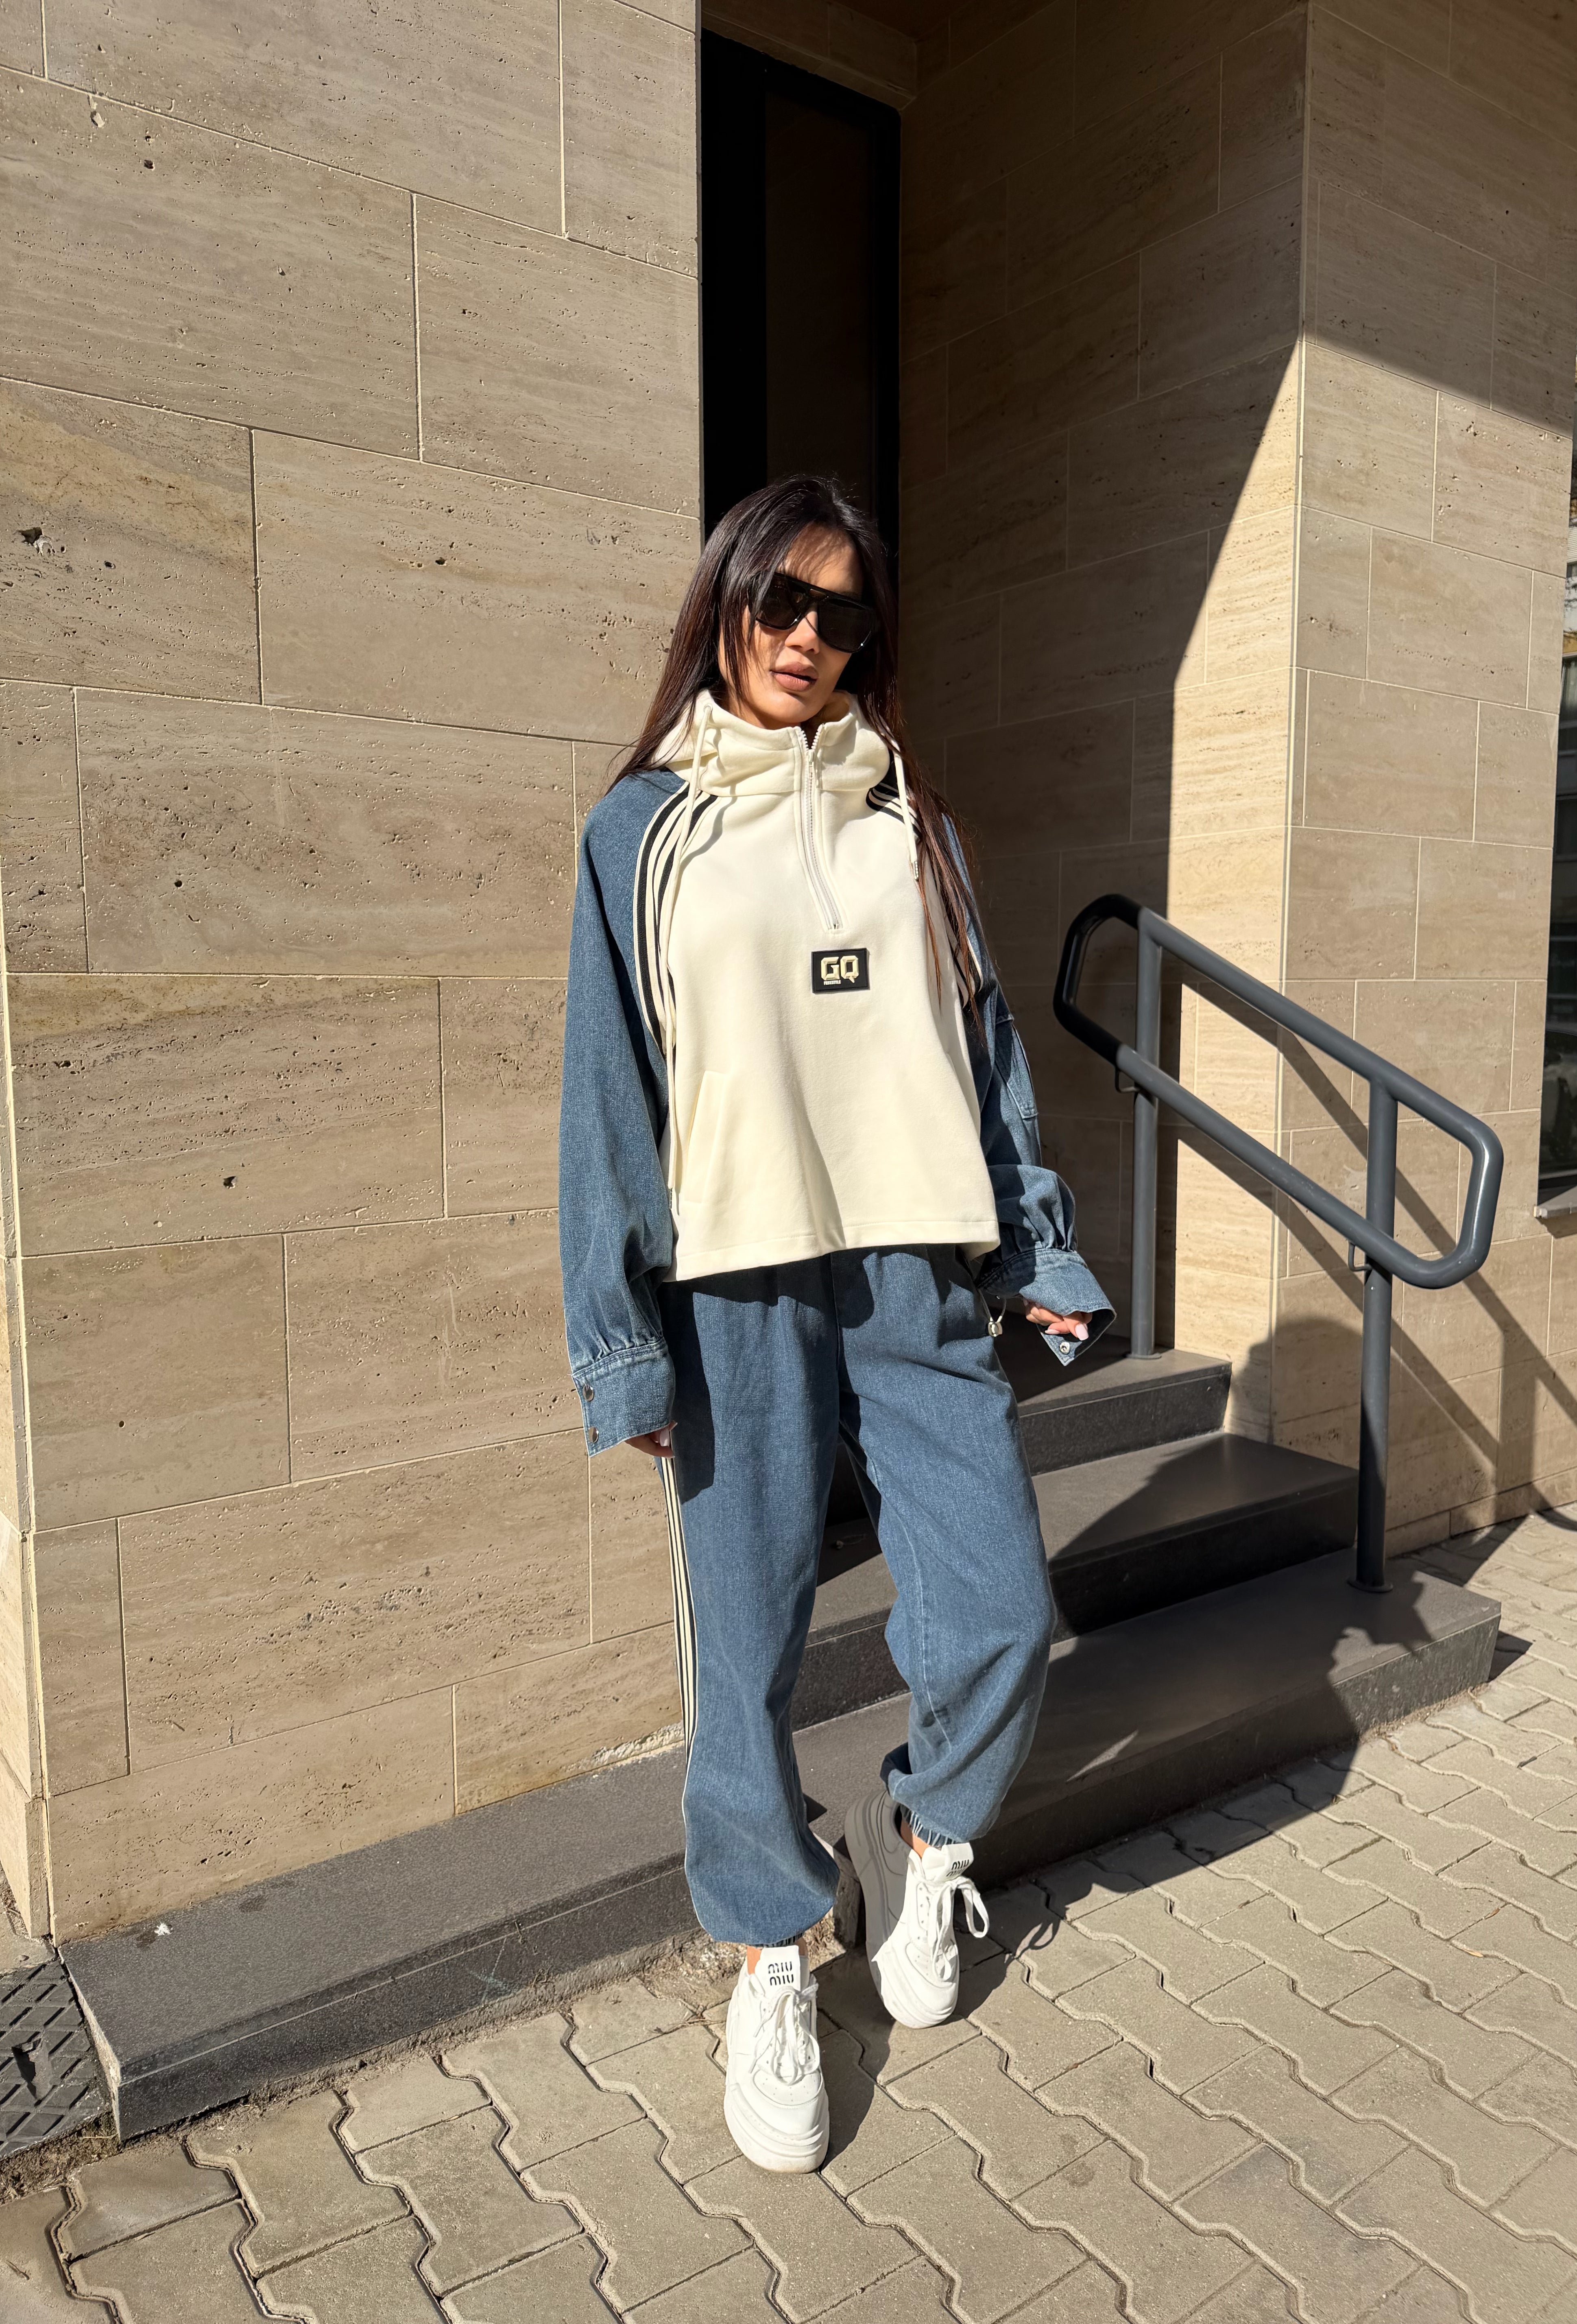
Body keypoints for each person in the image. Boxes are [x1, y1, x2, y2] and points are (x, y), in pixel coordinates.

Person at [558, 474, 1112, 2175]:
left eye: (842, 614)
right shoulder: (640, 832)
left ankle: (928, 1849)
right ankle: (769, 1950)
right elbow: (607, 1100)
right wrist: (621, 1342)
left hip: (913, 1264)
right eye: (779, 601)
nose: (807, 637)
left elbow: (986, 1055)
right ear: (724, 604)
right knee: (746, 1642)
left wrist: (1037, 1249)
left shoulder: (912, 826)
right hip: (734, 1275)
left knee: (999, 1602)